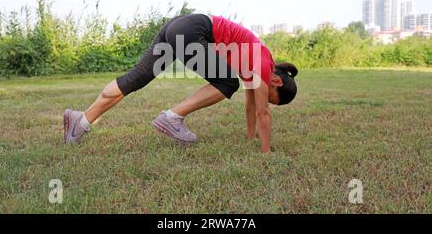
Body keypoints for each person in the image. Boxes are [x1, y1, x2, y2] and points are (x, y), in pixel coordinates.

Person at [63, 14, 298, 153]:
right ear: (276, 81)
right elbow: (262, 112)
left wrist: (250, 137)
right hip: (193, 30)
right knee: (227, 82)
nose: (263, 96)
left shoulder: (257, 64)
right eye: (270, 95)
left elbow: (251, 106)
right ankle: (173, 117)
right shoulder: (263, 64)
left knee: (134, 79)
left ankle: (80, 121)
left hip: (178, 26)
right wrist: (266, 153)